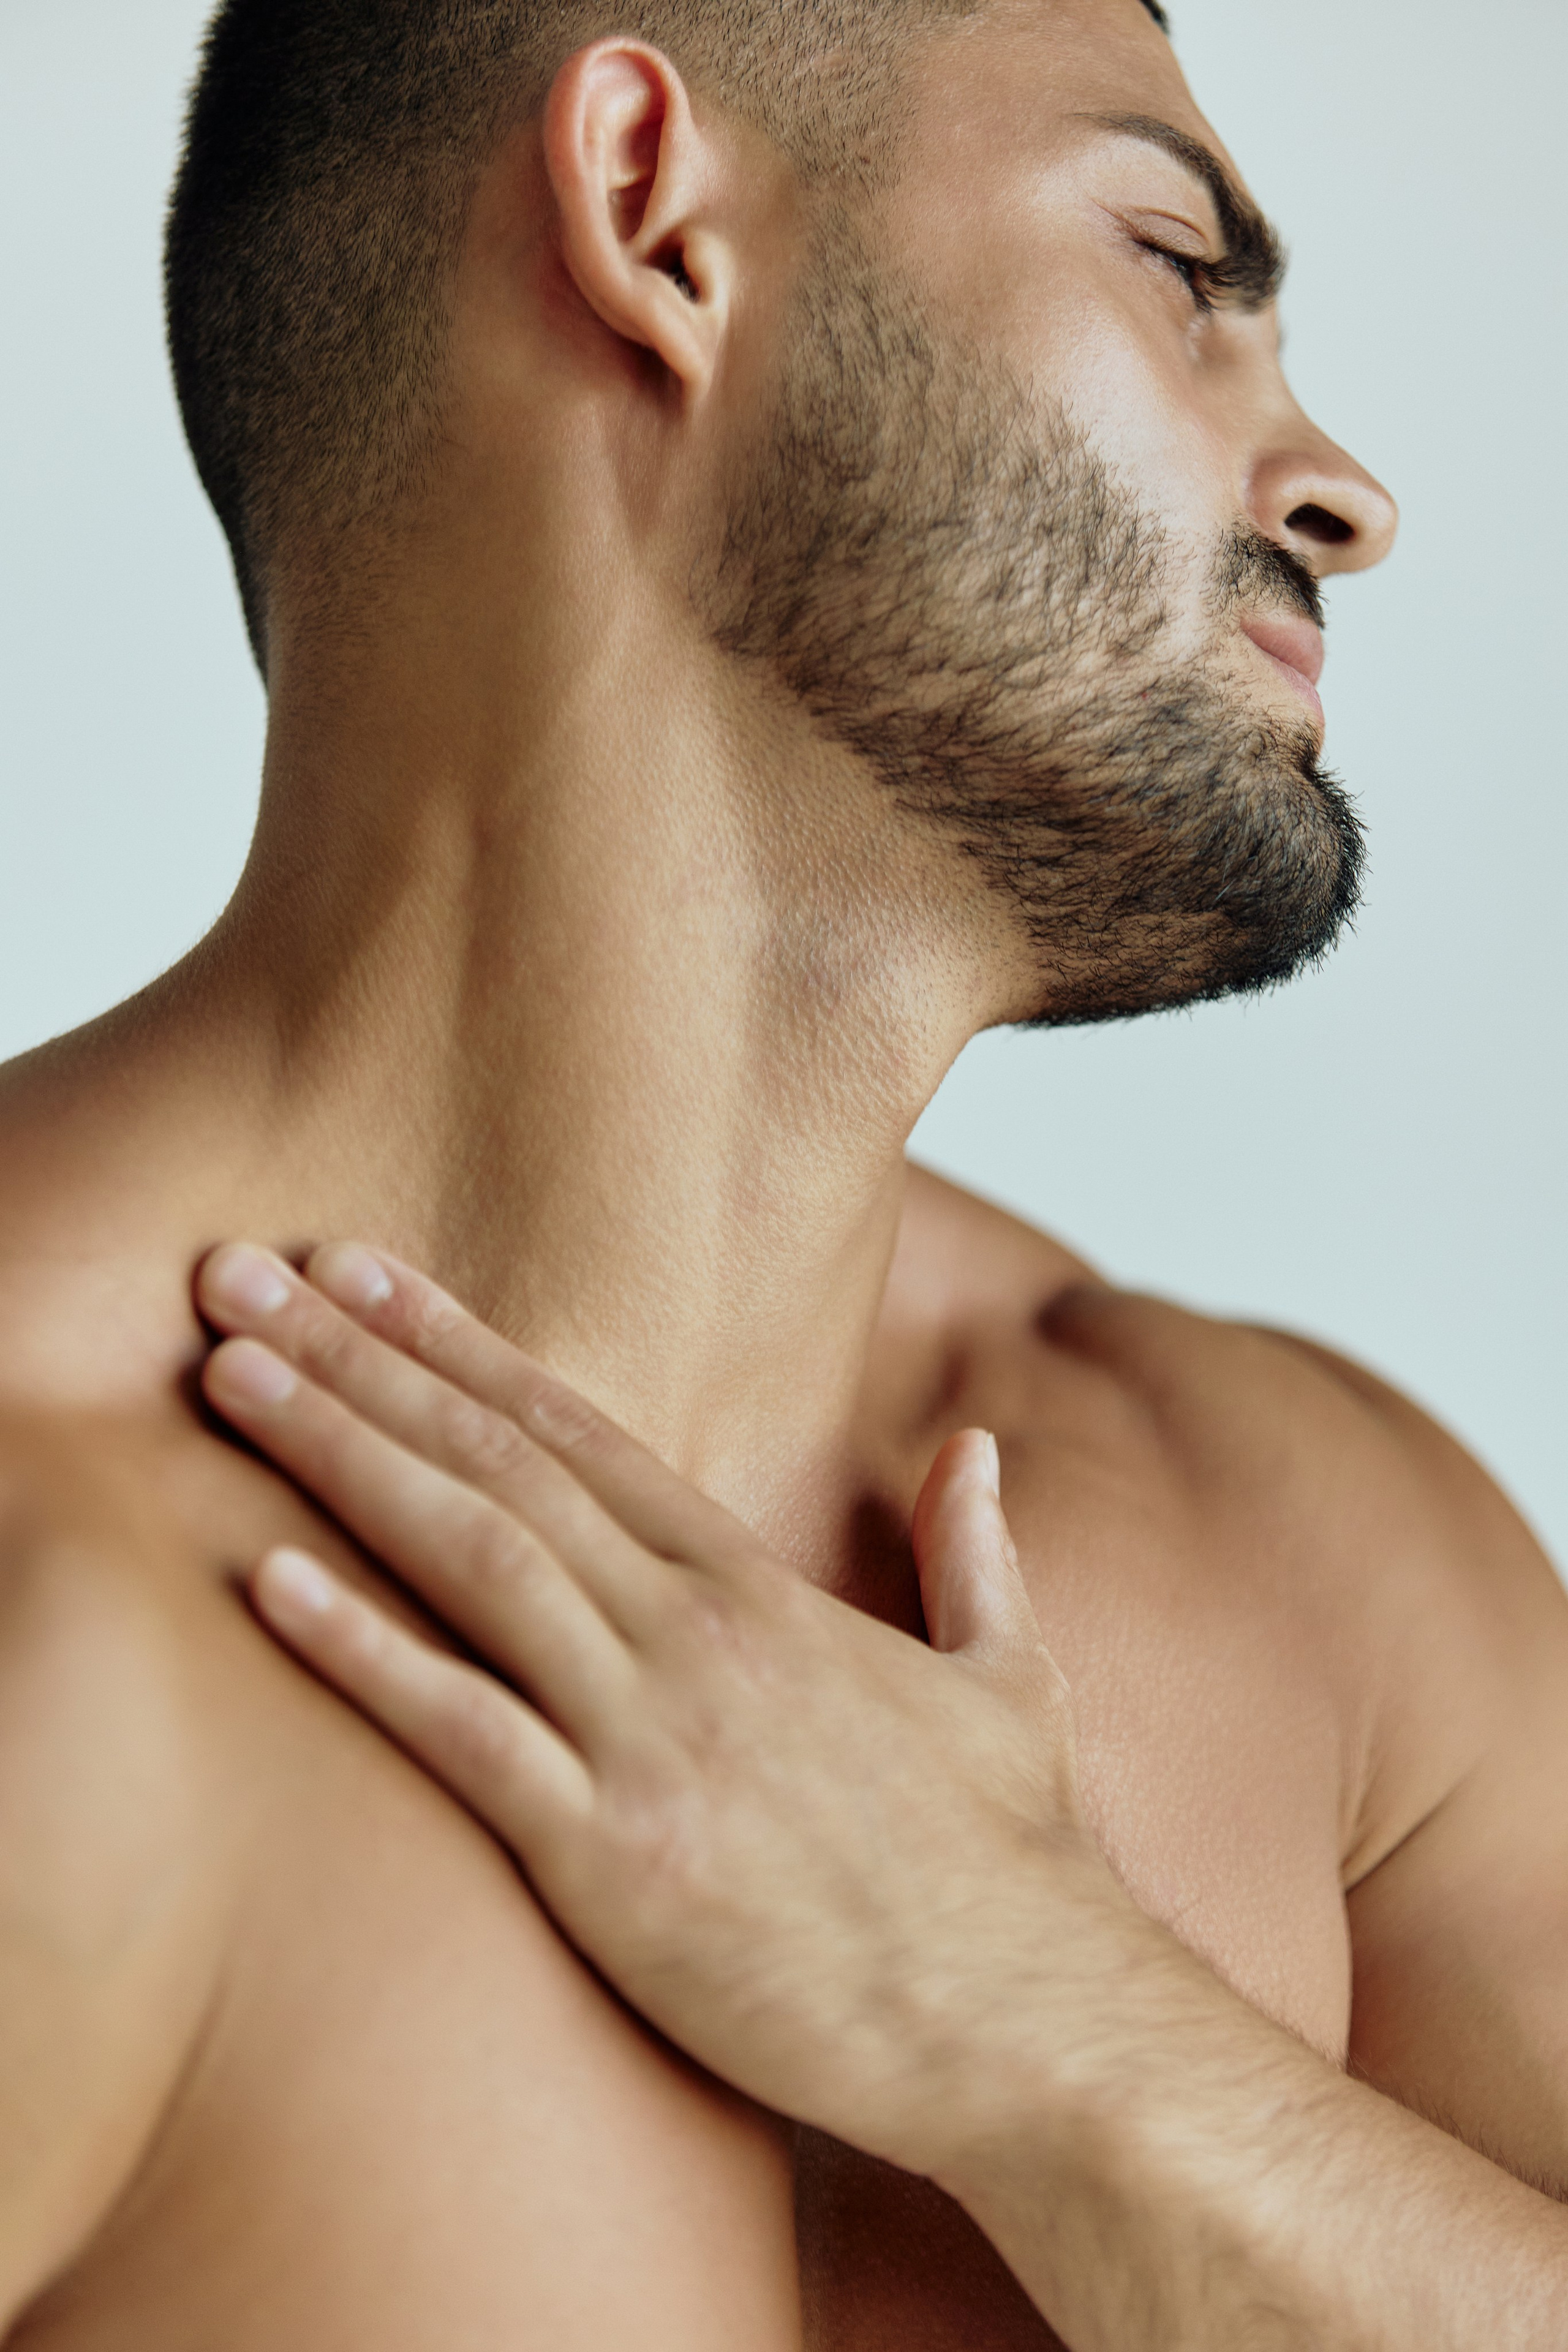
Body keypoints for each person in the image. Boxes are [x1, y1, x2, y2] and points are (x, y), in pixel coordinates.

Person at [0, 0, 1558, 2340]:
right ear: (658, 223)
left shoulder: (1329, 1568)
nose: (1343, 489)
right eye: (1173, 263)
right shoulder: (44, 1591)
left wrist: (1054, 2036)